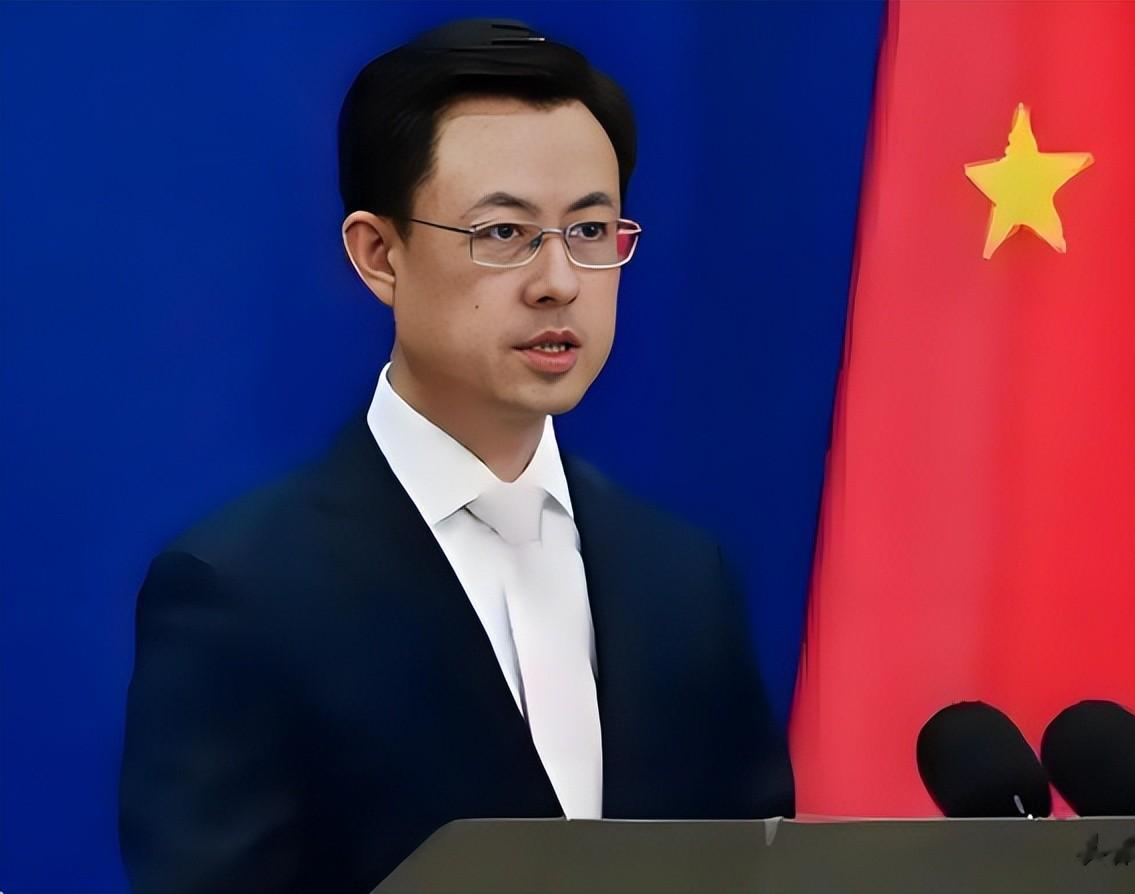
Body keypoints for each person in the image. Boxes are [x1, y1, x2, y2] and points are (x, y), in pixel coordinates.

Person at [119, 18, 793, 893]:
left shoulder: (685, 577)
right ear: (379, 255)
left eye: (591, 231)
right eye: (504, 233)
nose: (559, 282)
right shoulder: (241, 593)